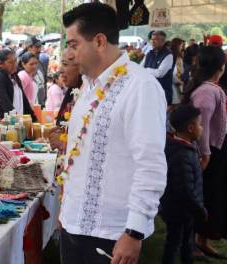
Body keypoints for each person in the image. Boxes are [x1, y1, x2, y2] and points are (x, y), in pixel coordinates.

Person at [59, 3, 167, 264]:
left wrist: (134, 231)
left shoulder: (140, 87)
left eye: (73, 45)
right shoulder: (87, 86)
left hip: (113, 232)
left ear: (99, 41)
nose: (68, 54)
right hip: (72, 223)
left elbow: (150, 165)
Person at [182, 46, 227, 259]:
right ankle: (191, 243)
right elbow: (203, 125)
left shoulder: (209, 88)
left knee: (208, 195)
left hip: (212, 150)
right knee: (201, 197)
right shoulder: (207, 91)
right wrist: (206, 153)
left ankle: (201, 240)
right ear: (220, 67)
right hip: (208, 152)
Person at [160, 104, 207, 264]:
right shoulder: (182, 156)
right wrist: (199, 209)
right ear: (191, 128)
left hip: (184, 210)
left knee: (186, 242)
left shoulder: (185, 147)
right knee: (175, 242)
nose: (202, 128)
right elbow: (185, 190)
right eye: (200, 124)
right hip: (180, 210)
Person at [0, 49, 36, 124]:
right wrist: (17, 122)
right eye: (10, 62)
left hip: (18, 122)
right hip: (4, 125)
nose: (15, 64)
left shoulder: (14, 76)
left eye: (15, 61)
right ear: (0, 64)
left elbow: (24, 100)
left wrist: (33, 119)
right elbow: (4, 103)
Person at [141, 31, 174, 105]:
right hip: (149, 91)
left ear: (163, 41)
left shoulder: (168, 55)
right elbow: (140, 68)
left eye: (156, 39)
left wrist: (146, 70)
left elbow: (159, 73)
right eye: (152, 39)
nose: (153, 41)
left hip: (163, 92)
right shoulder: (149, 53)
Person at [19, 36, 47, 106]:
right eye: (37, 47)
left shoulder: (41, 63)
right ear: (29, 47)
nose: (40, 49)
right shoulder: (19, 65)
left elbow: (44, 83)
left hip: (40, 105)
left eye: (40, 46)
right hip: (27, 108)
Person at [170, 38, 185, 104]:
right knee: (174, 104)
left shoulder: (176, 56)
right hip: (174, 83)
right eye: (181, 46)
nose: (182, 47)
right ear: (177, 46)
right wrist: (179, 82)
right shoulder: (174, 57)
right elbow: (174, 72)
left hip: (176, 81)